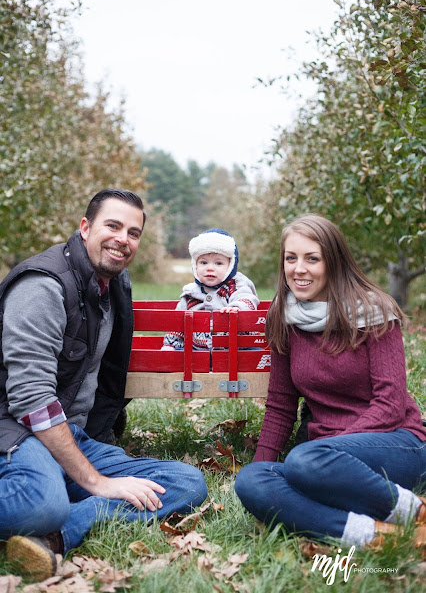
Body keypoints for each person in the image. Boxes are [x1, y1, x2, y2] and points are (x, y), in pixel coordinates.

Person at [0, 189, 207, 581]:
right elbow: (30, 399)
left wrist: (103, 470)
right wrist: (96, 481)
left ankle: (57, 534)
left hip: (70, 438)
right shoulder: (43, 286)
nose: (122, 239)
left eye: (133, 232)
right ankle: (49, 510)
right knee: (41, 503)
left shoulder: (109, 287)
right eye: (112, 225)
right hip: (15, 432)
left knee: (185, 483)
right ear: (85, 228)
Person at [235, 214, 426, 550]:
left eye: (312, 258)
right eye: (291, 258)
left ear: (333, 262)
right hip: (322, 458)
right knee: (251, 481)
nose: (299, 269)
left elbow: (391, 404)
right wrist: (263, 463)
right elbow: (281, 404)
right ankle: (375, 536)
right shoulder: (284, 316)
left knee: (305, 461)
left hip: (394, 442)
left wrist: (330, 451)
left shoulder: (374, 312)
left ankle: (416, 512)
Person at [162, 228, 259, 351]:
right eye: (203, 263)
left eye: (218, 263)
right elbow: (177, 323)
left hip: (235, 350)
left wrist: (237, 307)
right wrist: (171, 345)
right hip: (197, 353)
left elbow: (245, 298)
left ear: (230, 266)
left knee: (256, 352)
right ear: (195, 265)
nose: (210, 268)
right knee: (180, 352)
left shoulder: (236, 286)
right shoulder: (190, 293)